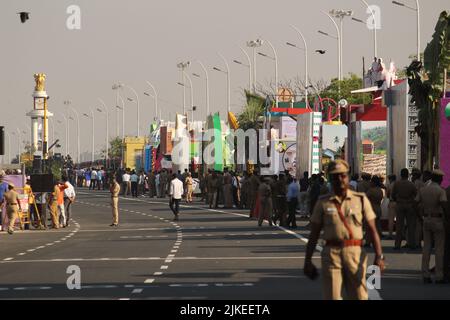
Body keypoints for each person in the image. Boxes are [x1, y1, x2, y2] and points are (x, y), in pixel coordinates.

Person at [303, 160, 385, 300]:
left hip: (355, 253)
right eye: (335, 177)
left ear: (347, 176)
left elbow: (372, 229)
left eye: (343, 175)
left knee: (359, 296)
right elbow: (314, 233)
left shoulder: (360, 199)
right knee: (333, 297)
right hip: (331, 254)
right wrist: (308, 260)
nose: (339, 179)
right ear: (330, 179)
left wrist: (379, 256)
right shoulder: (323, 202)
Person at [416, 170, 447, 283]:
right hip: (438, 220)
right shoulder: (440, 191)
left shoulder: (423, 189)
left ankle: (425, 274)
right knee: (439, 249)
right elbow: (444, 205)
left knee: (426, 248)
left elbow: (416, 203)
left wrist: (420, 217)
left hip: (426, 219)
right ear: (440, 179)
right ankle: (439, 275)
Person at [392, 168, 418, 250]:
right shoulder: (411, 184)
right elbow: (416, 195)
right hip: (409, 205)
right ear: (408, 175)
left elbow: (393, 194)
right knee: (411, 225)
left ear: (401, 174)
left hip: (400, 204)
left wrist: (398, 199)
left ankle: (397, 244)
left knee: (399, 225)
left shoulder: (397, 184)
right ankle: (412, 243)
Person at [366, 175, 385, 245]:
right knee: (377, 226)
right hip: (378, 208)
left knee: (369, 227)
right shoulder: (380, 190)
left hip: (371, 209)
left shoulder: (371, 190)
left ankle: (368, 241)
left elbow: (365, 198)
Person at [386, 174, 397, 240]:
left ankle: (390, 234)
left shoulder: (389, 185)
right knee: (399, 219)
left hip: (392, 202)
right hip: (398, 202)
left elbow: (387, 195)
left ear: (390, 179)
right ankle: (400, 234)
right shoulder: (398, 184)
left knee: (391, 219)